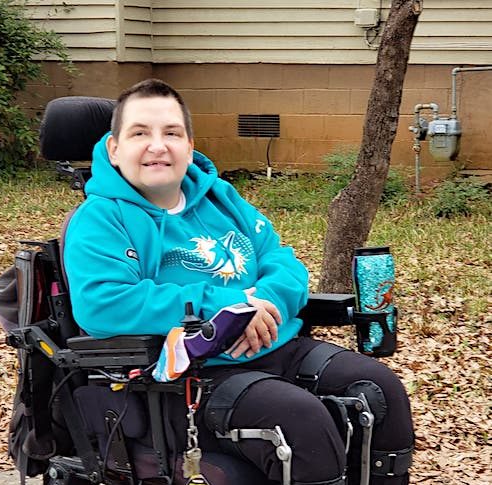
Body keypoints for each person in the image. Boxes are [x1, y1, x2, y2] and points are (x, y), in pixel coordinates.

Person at [64, 79, 414, 485]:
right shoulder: (101, 218)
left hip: (277, 347)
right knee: (300, 421)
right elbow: (102, 304)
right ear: (114, 148)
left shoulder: (220, 198)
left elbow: (283, 263)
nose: (158, 146)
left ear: (189, 146)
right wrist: (228, 310)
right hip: (188, 378)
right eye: (140, 133)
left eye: (171, 133)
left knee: (380, 389)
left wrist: (267, 301)